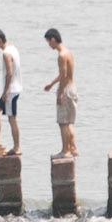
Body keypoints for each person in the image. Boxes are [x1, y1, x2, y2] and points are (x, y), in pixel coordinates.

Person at [43, 28, 77, 159]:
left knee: (62, 122)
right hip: (72, 87)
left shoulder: (61, 55)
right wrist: (52, 84)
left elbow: (64, 76)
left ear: (53, 39)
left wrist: (59, 93)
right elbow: (65, 74)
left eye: (48, 42)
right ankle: (73, 148)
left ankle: (65, 151)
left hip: (66, 89)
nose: (49, 45)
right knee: (67, 122)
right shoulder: (68, 52)